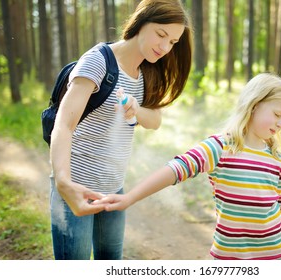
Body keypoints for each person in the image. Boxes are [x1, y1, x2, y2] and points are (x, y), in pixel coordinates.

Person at [94, 73, 281, 260]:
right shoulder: (220, 147)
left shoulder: (276, 158)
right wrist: (129, 198)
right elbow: (176, 169)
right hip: (228, 258)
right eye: (277, 114)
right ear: (254, 105)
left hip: (273, 256)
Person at [49, 0, 193, 260]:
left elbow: (155, 121)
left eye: (172, 42)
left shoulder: (148, 71)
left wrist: (137, 110)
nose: (164, 47)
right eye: (161, 35)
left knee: (111, 262)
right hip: (75, 185)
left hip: (114, 188)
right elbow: (64, 124)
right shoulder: (98, 62)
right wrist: (63, 182)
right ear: (141, 21)